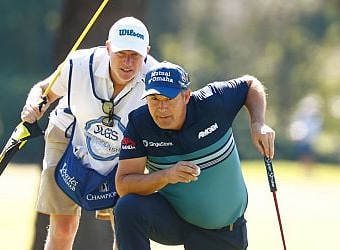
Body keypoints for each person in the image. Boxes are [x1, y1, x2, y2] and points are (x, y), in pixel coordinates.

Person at [20, 17, 158, 250]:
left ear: (146, 52)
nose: (128, 62)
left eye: (135, 55)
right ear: (108, 48)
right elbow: (43, 90)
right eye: (121, 53)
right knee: (63, 227)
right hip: (67, 137)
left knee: (125, 227)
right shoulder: (79, 64)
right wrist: (34, 105)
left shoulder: (157, 77)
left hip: (124, 152)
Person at [114, 62, 275, 250]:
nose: (161, 108)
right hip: (175, 219)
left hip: (223, 231)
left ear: (186, 96)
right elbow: (124, 185)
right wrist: (166, 176)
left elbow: (250, 84)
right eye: (154, 99)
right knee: (128, 207)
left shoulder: (214, 102)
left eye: (169, 99)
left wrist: (258, 123)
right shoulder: (140, 124)